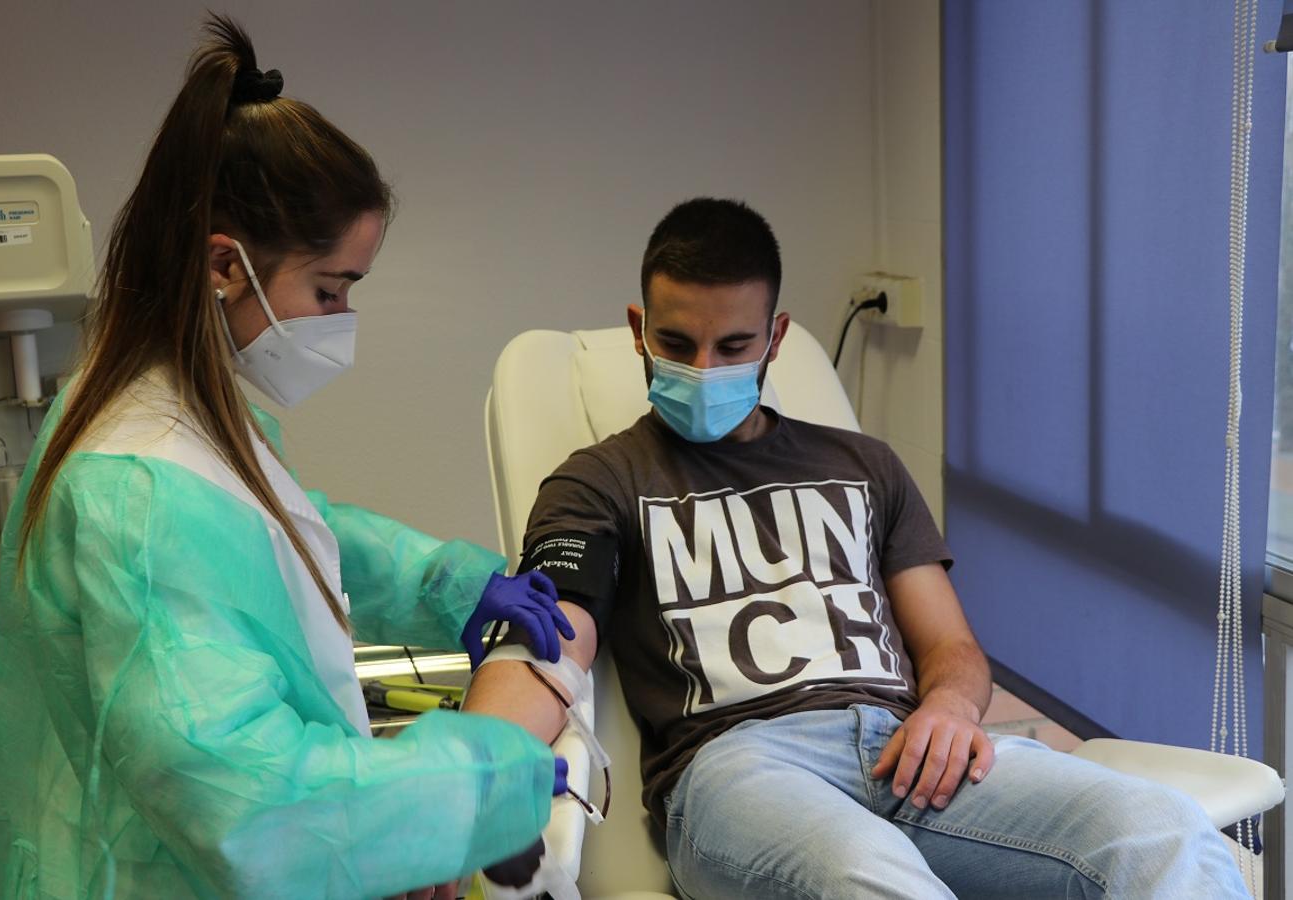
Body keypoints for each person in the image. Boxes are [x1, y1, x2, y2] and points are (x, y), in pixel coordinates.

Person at [462, 197, 1249, 898]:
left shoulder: (864, 465)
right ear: (639, 331)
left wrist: (947, 704)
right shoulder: (599, 481)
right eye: (678, 344)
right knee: (866, 873)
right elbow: (546, 640)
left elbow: (951, 645)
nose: (705, 371)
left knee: (1165, 834)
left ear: (776, 338)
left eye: (734, 347)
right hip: (739, 771)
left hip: (905, 743)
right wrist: (463, 783)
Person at [0, 16, 575, 900]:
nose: (339, 320)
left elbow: (274, 538)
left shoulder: (176, 407)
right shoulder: (134, 490)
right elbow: (251, 808)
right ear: (225, 264)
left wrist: (444, 582)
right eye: (329, 289)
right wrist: (476, 784)